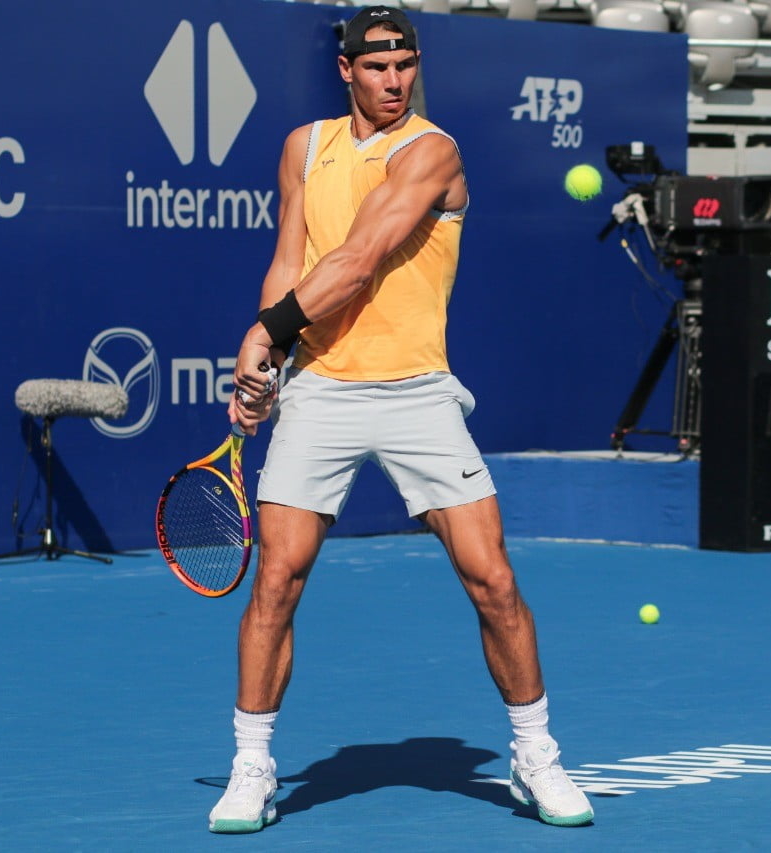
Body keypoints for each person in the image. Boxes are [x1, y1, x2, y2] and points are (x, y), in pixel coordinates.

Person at [209, 6, 594, 834]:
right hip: (320, 390)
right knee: (276, 581)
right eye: (378, 68)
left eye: (406, 67)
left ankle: (536, 756)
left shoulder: (433, 151)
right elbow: (295, 259)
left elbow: (357, 259)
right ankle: (252, 766)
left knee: (492, 580)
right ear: (345, 70)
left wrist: (265, 332)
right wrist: (270, 363)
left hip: (419, 391)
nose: (395, 82)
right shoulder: (302, 147)